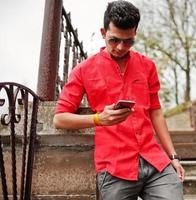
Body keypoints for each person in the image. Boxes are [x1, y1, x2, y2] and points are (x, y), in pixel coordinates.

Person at [53, 1, 185, 199]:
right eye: (114, 40)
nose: (121, 47)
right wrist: (98, 119)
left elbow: (155, 111)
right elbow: (59, 119)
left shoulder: (147, 66)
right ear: (103, 32)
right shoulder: (83, 70)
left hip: (154, 160)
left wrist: (173, 156)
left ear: (134, 35)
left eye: (128, 41)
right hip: (114, 167)